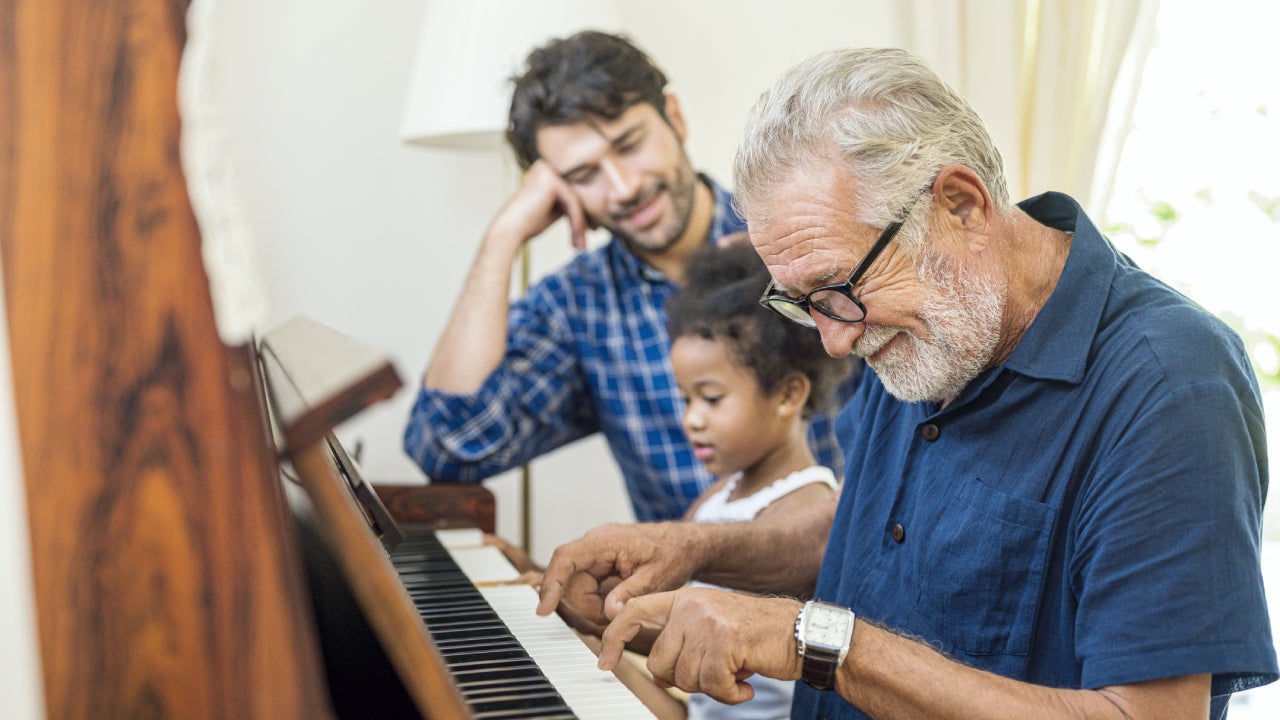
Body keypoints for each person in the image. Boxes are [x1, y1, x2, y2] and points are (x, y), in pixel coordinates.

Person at [534, 47, 1277, 720]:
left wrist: (814, 641)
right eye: (802, 302)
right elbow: (872, 536)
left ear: (961, 205)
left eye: (838, 289)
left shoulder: (1171, 384)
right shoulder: (928, 331)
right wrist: (698, 549)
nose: (833, 338)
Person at [403, 30, 854, 523]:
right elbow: (449, 448)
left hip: (849, 575)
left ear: (674, 117)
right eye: (583, 175)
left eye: (629, 145)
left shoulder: (795, 240)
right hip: (681, 592)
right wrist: (502, 239)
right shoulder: (578, 306)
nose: (623, 188)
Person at [668, 242, 851, 720]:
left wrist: (590, 612)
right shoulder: (721, 493)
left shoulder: (806, 505)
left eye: (710, 398)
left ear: (789, 393)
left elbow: (675, 622)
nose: (691, 419)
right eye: (685, 399)